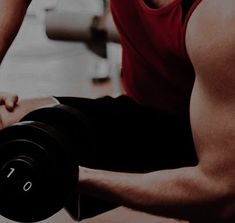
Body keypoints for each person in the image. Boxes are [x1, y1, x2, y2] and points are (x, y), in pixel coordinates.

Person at [0, 0, 235, 222]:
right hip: (151, 116)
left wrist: (73, 175)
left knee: (39, 157)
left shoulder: (219, 17)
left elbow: (223, 194)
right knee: (9, 123)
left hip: (215, 138)